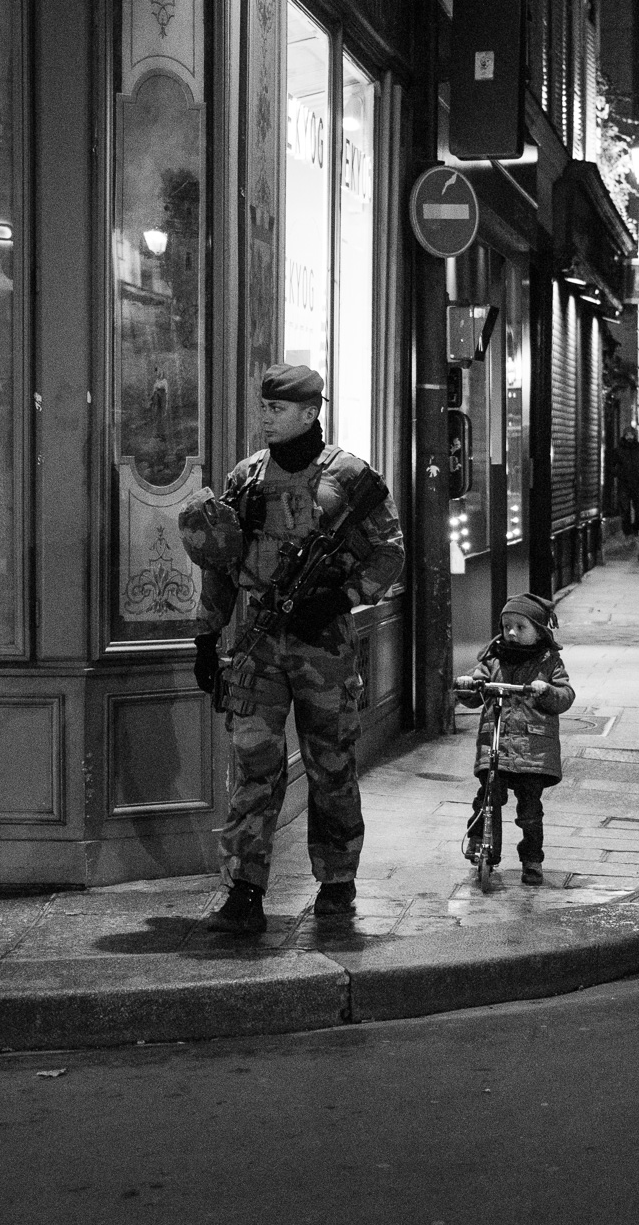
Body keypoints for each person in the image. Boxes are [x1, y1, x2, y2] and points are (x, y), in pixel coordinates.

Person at [176, 364, 405, 934]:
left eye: (277, 409)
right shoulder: (247, 478)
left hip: (323, 645)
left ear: (310, 412)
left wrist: (342, 597)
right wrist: (208, 636)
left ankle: (336, 881)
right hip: (257, 642)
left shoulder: (349, 477)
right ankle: (246, 890)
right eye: (264, 407)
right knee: (255, 764)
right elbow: (222, 564)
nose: (266, 418)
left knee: (331, 762)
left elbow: (390, 552)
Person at [454, 594, 576, 885]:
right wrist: (468, 686)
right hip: (496, 743)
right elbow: (474, 693)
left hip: (533, 751)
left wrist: (545, 689)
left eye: (520, 627)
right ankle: (484, 847)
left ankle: (532, 858)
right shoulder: (492, 658)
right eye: (507, 625)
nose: (511, 632)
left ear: (539, 630)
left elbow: (565, 696)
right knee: (487, 799)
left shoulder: (549, 662)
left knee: (530, 810)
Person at [612, 425, 639, 534]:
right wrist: (619, 473)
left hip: (637, 482)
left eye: (631, 434)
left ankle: (636, 527)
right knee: (625, 507)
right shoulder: (619, 450)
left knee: (637, 508)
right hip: (624, 483)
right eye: (627, 435)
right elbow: (613, 465)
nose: (629, 437)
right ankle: (627, 530)